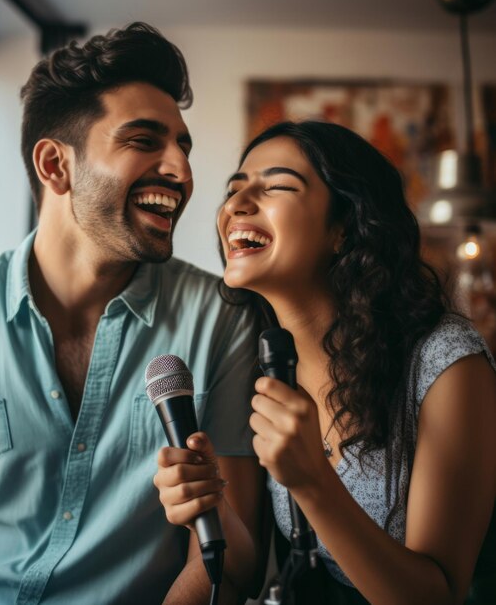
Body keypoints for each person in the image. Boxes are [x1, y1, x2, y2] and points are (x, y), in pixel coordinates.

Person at [0, 23, 266, 605]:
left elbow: (229, 556)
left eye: (183, 146)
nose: (181, 171)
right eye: (143, 140)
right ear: (56, 164)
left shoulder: (225, 318)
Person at [154, 120, 496, 603]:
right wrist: (210, 504)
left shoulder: (446, 361)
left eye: (275, 187)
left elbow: (438, 595)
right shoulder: (258, 360)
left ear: (344, 228)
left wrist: (313, 480)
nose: (236, 206)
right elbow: (246, 568)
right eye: (234, 190)